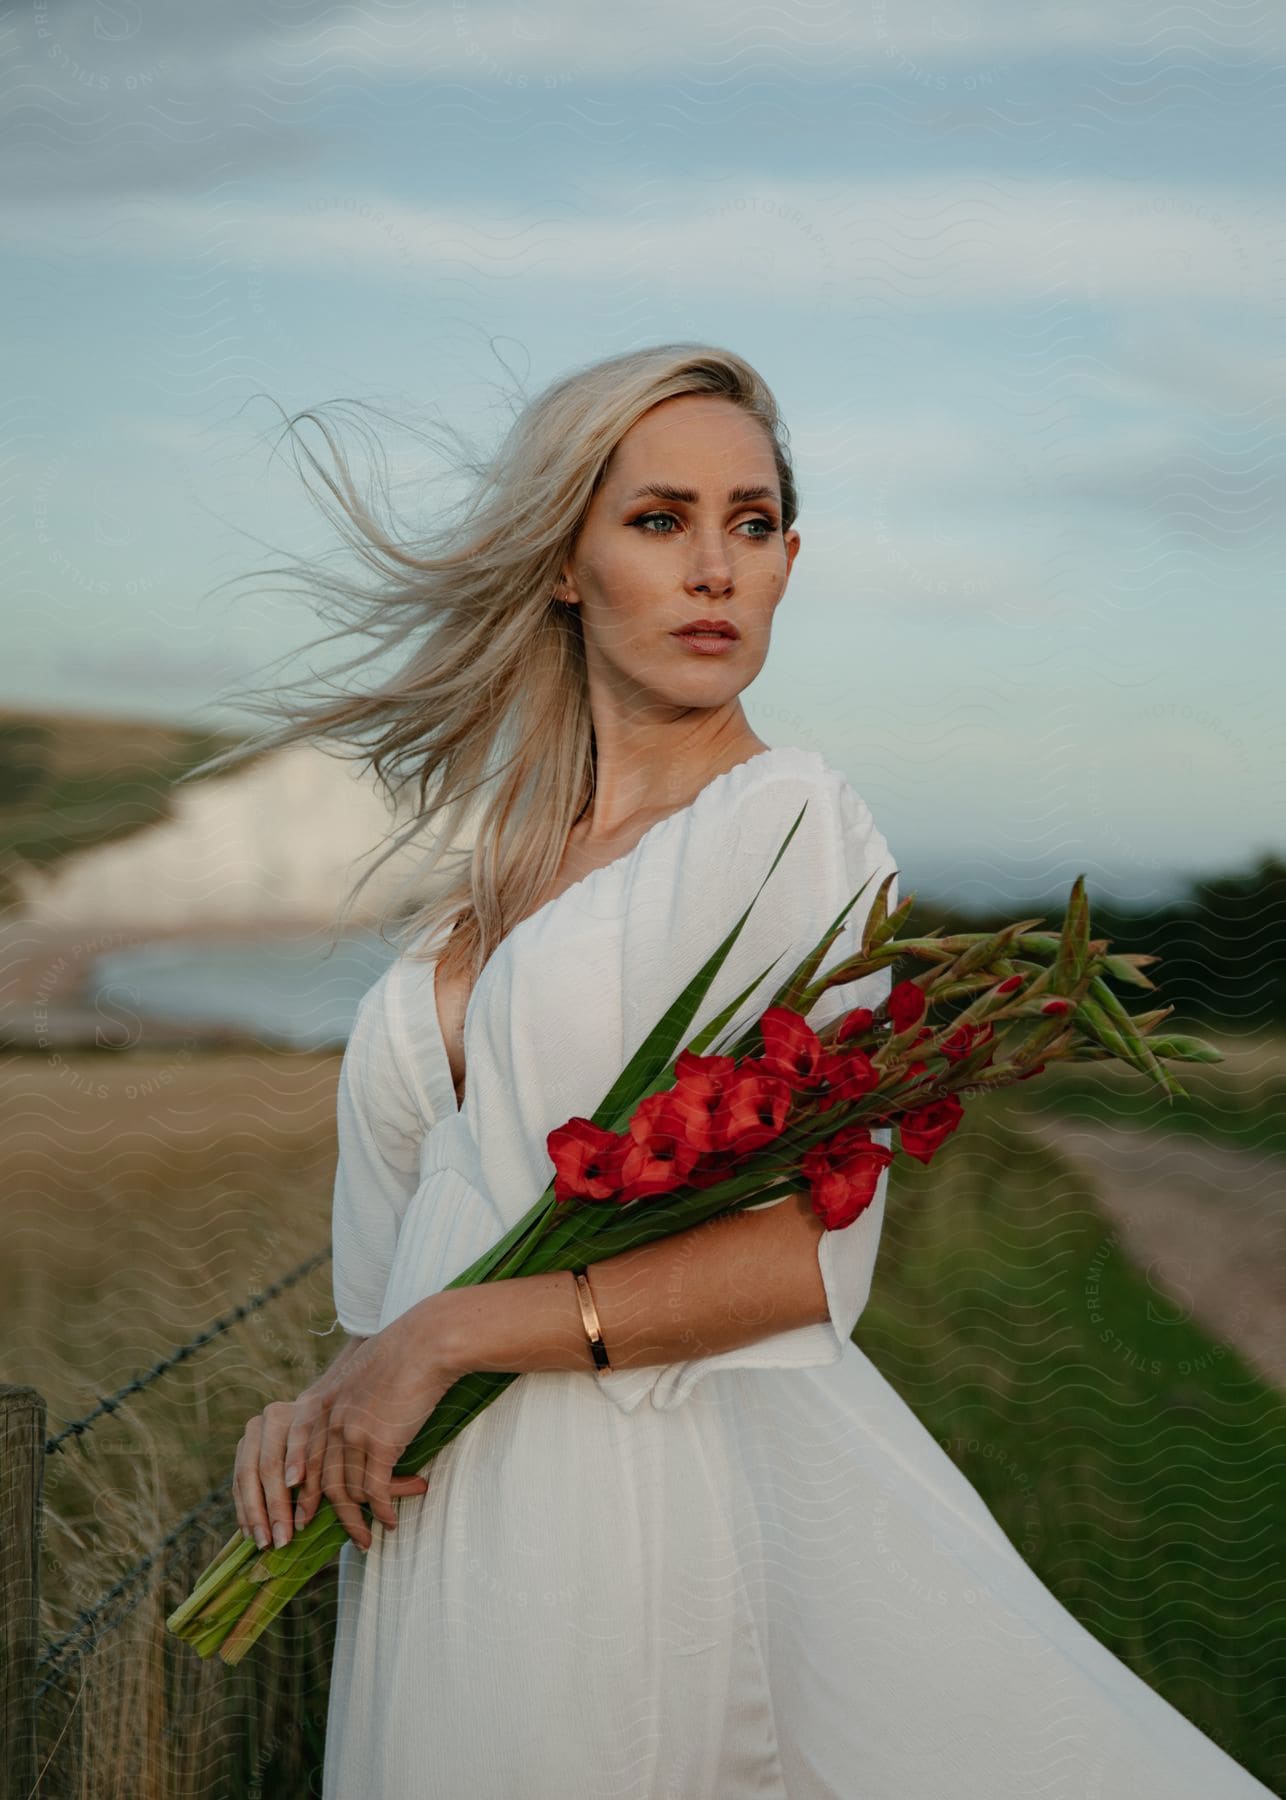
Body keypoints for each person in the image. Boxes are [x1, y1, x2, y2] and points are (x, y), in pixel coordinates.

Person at [229, 346, 1274, 1798]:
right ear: (565, 565)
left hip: (629, 1508)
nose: (715, 568)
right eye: (659, 520)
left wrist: (437, 1343)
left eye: (754, 522)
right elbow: (396, 1268)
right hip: (431, 1516)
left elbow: (802, 1265)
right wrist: (328, 1401)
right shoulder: (474, 894)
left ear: (791, 558)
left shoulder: (788, 833)